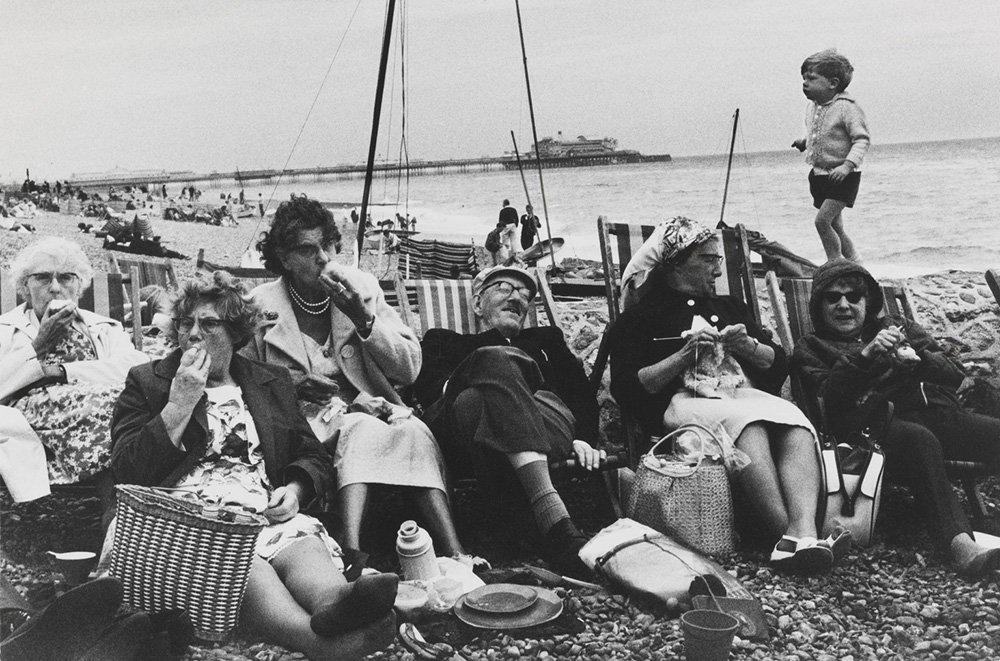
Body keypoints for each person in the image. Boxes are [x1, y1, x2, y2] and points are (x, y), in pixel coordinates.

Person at [110, 272, 398, 661]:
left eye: (208, 324)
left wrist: (295, 491)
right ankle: (318, 642)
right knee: (242, 558)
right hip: (186, 517)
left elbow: (311, 454)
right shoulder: (149, 381)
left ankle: (337, 601)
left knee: (303, 545)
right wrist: (178, 405)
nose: (192, 334)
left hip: (262, 507)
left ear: (234, 334)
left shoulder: (269, 381)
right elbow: (128, 472)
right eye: (185, 323)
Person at [244, 196, 475, 564]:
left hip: (376, 409)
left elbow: (409, 368)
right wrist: (297, 385)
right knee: (360, 429)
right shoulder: (260, 306)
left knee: (413, 429)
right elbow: (246, 381)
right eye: (307, 250)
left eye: (329, 245)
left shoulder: (360, 288)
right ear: (284, 258)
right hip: (304, 423)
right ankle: (351, 551)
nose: (323, 257)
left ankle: (456, 551)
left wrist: (364, 319)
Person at [609, 216, 840, 573]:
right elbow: (627, 387)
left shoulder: (730, 307)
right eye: (708, 260)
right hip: (682, 405)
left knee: (794, 421)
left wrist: (748, 346)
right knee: (749, 426)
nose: (718, 269)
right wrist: (682, 357)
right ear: (676, 263)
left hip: (739, 396)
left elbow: (778, 364)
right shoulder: (639, 318)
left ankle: (803, 534)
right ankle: (786, 534)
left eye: (719, 259)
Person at [792, 259, 1000, 577]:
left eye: (853, 297)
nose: (843, 305)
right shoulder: (812, 347)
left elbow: (954, 373)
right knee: (920, 440)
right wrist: (865, 357)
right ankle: (961, 547)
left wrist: (916, 359)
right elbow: (826, 403)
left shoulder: (897, 327)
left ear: (868, 301)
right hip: (873, 429)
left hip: (936, 415)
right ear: (819, 306)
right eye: (832, 298)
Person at [409, 265, 605, 578]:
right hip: (462, 425)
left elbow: (579, 394)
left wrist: (583, 437)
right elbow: (430, 391)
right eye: (504, 287)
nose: (518, 297)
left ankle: (518, 522)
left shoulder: (547, 339)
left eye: (525, 295)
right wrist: (488, 372)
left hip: (546, 419)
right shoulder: (442, 340)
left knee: (488, 380)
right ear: (477, 304)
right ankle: (554, 522)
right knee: (489, 368)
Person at [0, 238, 148, 502]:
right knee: (118, 407)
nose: (55, 288)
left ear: (80, 285)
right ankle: (120, 508)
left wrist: (60, 371)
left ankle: (118, 516)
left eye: (66, 278)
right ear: (25, 286)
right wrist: (39, 345)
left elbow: (137, 370)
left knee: (127, 403)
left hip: (97, 416)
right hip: (32, 423)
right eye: (43, 278)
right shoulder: (4, 330)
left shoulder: (103, 327)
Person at [791, 49, 870, 263]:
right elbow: (821, 134)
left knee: (822, 222)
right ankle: (854, 261)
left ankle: (835, 261)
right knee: (835, 225)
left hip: (843, 176)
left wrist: (846, 166)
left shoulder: (846, 108)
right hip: (819, 175)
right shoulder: (812, 108)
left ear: (832, 83)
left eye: (811, 78)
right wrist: (804, 141)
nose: (805, 83)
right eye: (804, 78)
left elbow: (861, 140)